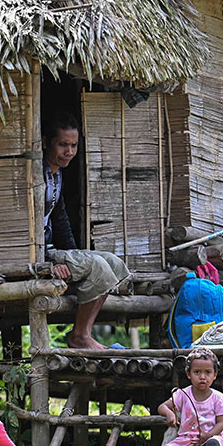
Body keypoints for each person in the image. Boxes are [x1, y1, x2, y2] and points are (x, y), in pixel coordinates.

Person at [42, 110, 131, 349]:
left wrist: (73, 255)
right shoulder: (36, 176)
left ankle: (85, 332)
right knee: (99, 267)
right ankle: (79, 336)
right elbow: (25, 229)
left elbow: (59, 220)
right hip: (39, 254)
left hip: (53, 250)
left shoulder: (57, 175)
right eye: (62, 145)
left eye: (73, 145)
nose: (69, 152)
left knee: (113, 263)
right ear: (46, 142)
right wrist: (48, 264)